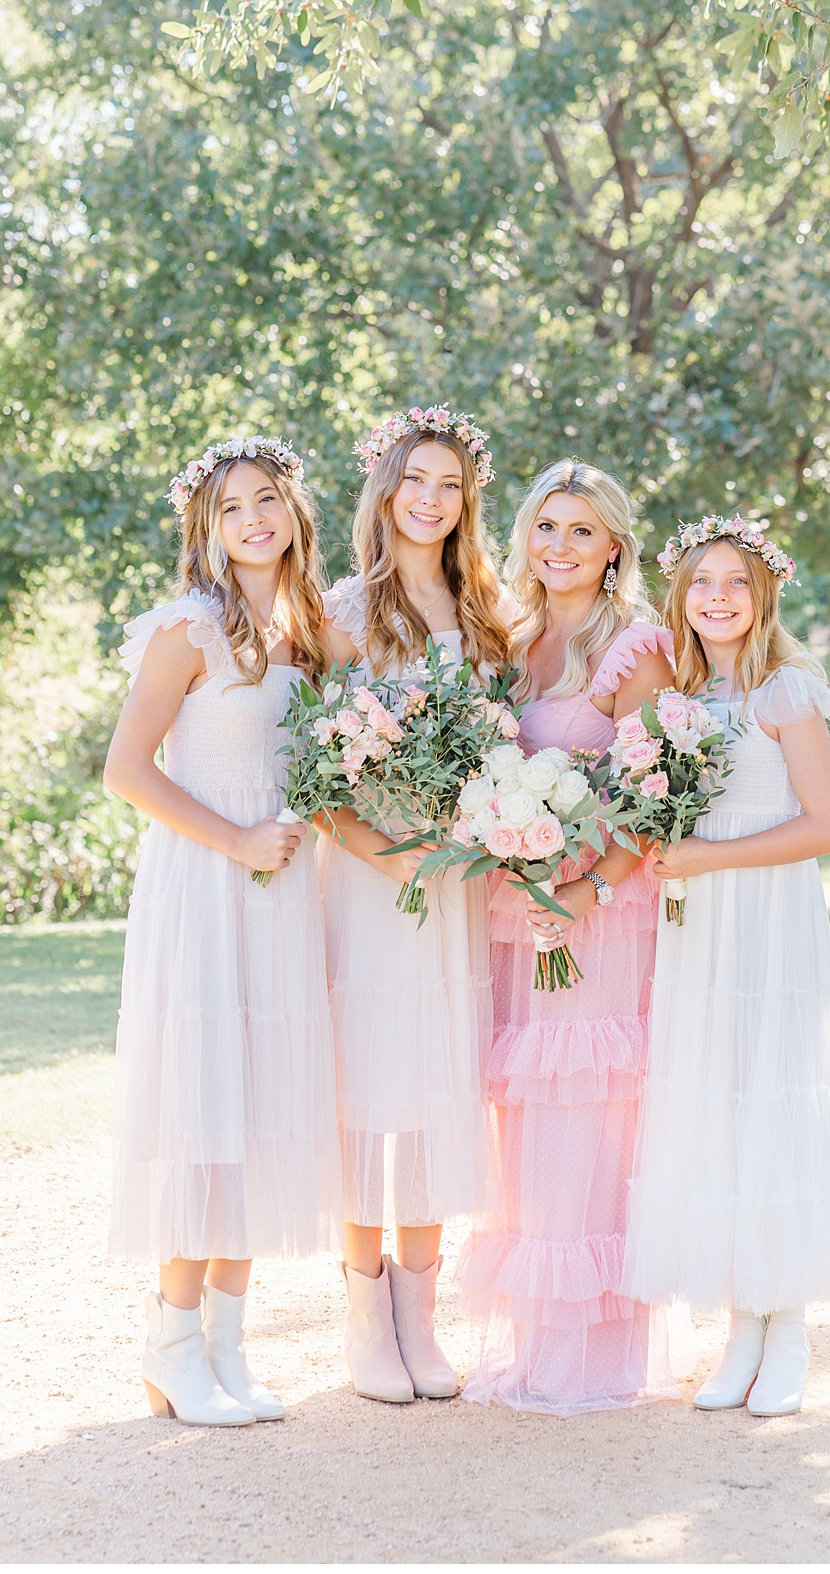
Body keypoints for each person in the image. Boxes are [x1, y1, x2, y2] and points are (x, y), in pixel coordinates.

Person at [621, 515, 830, 1416]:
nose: (719, 596)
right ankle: (742, 1323)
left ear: (764, 594)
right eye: (702, 582)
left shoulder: (785, 693)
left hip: (768, 921)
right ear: (680, 597)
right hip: (700, 930)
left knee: (771, 1097)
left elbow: (829, 827)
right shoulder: (684, 700)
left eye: (737, 581)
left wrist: (706, 857)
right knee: (718, 1103)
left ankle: (790, 1326)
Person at [104, 436, 340, 1426]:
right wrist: (237, 837)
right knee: (204, 1106)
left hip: (280, 891)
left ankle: (229, 1346)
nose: (253, 518)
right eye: (232, 505)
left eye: (268, 499)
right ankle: (170, 1339)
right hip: (204, 884)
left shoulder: (307, 628)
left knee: (258, 1105)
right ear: (206, 525)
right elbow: (127, 768)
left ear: (293, 512)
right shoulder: (187, 629)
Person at [458, 459, 695, 1414]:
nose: (559, 546)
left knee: (588, 1115)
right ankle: (532, 1341)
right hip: (517, 908)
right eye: (546, 526)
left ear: (614, 549)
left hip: (598, 913)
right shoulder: (504, 642)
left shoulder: (635, 648)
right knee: (521, 1121)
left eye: (582, 530)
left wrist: (590, 884)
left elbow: (658, 787)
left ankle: (593, 1355)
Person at [318, 404, 510, 1404]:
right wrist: (385, 854)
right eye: (415, 479)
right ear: (386, 488)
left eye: (450, 485)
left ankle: (419, 1313)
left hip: (453, 886)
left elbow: (508, 747)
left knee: (438, 1085)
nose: (430, 499)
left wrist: (480, 825)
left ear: (467, 501)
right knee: (365, 1093)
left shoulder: (488, 610)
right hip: (370, 877)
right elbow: (312, 775)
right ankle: (363, 1311)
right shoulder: (346, 610)